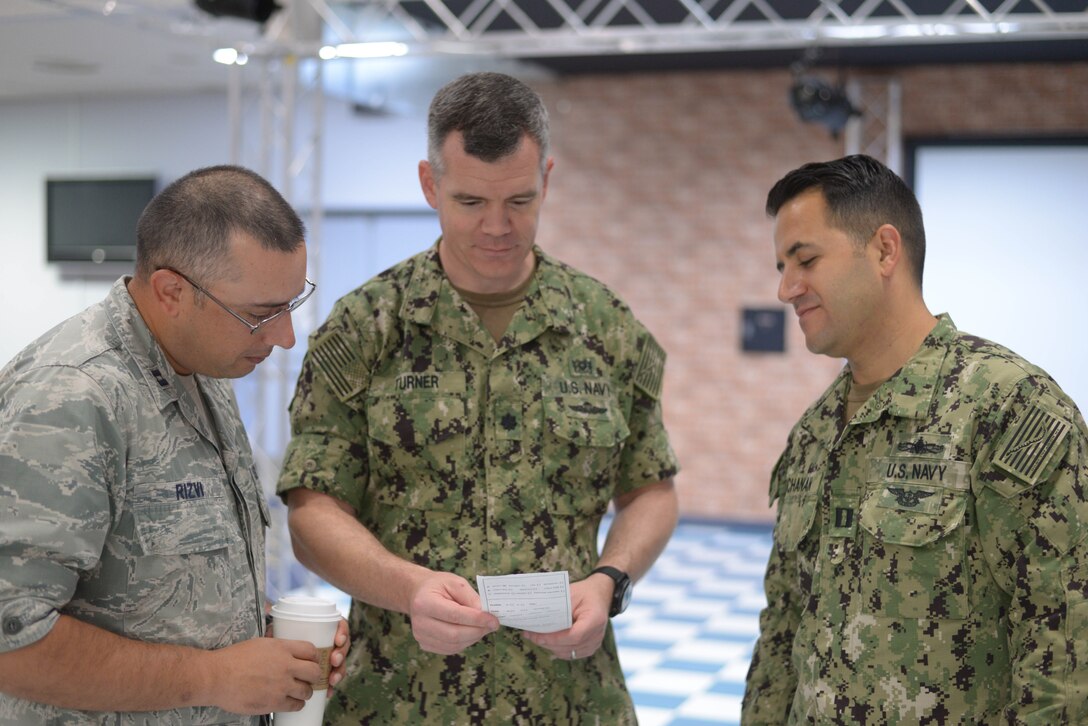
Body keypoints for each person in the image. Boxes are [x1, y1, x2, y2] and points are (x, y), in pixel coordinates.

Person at [276, 71, 680, 723]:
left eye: (520, 200)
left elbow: (652, 492)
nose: (498, 226)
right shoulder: (365, 330)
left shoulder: (605, 328)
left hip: (567, 697)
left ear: (547, 176)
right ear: (429, 184)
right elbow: (311, 513)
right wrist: (407, 588)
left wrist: (610, 582)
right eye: (470, 202)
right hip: (402, 697)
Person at [742, 154, 1088, 724]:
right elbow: (783, 628)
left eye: (805, 260)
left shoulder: (1007, 409)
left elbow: (1064, 651)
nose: (785, 289)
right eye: (781, 266)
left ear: (883, 249)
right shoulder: (815, 432)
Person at [0, 165, 349, 724]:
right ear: (171, 292)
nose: (284, 337)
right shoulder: (72, 395)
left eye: (292, 304)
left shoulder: (203, 366)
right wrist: (213, 677)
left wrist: (268, 641)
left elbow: (160, 591)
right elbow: (10, 638)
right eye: (261, 314)